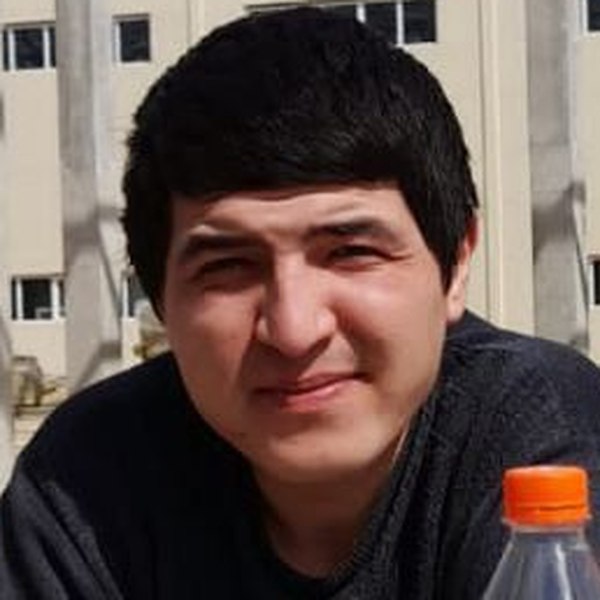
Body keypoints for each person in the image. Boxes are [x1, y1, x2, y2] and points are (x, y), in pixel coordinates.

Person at [2, 7, 600, 599]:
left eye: (352, 252)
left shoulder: (541, 441)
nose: (293, 329)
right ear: (161, 301)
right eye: (228, 267)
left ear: (457, 264)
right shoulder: (90, 480)